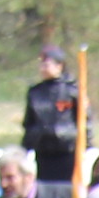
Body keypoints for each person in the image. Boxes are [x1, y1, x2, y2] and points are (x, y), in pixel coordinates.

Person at [21, 45, 80, 187]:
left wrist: (86, 145)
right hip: (43, 149)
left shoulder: (72, 91)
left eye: (47, 64)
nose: (43, 68)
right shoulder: (35, 92)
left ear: (59, 66)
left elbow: (83, 119)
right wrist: (25, 147)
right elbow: (29, 122)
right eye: (41, 64)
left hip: (66, 149)